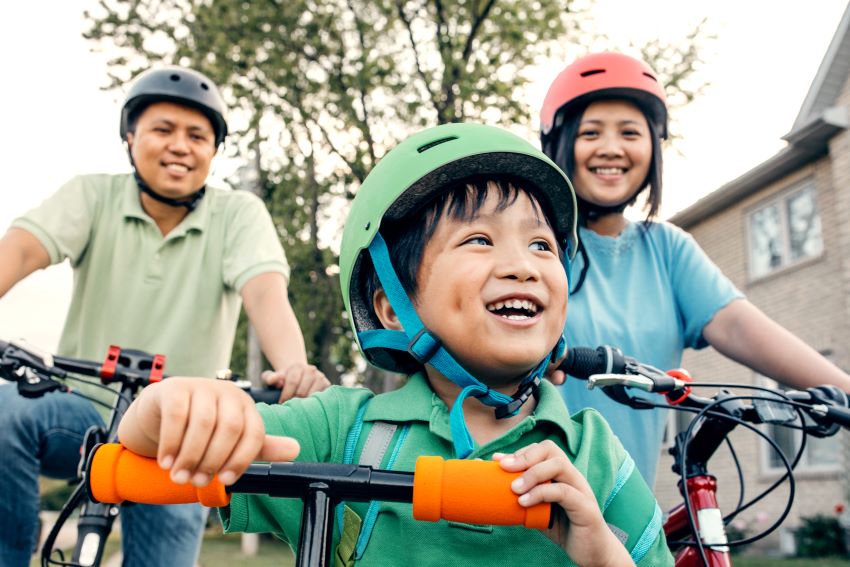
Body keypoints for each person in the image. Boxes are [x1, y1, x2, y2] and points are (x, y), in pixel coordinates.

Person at [114, 122, 674, 566]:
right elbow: (137, 452)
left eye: (542, 246)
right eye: (479, 238)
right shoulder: (339, 432)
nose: (522, 266)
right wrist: (173, 407)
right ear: (391, 307)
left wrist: (602, 553)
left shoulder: (596, 458)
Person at [0, 66, 330, 567]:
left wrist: (293, 367)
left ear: (214, 151)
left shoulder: (237, 214)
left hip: (181, 432)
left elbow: (265, 293)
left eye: (197, 136)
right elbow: (20, 252)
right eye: (162, 130)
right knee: (7, 415)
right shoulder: (93, 195)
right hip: (82, 410)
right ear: (131, 139)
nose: (180, 146)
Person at [539, 52, 850, 487]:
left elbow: (741, 327)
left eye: (630, 132)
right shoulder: (531, 243)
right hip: (518, 503)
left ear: (653, 148)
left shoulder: (666, 249)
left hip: (626, 517)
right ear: (558, 141)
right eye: (591, 133)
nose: (611, 147)